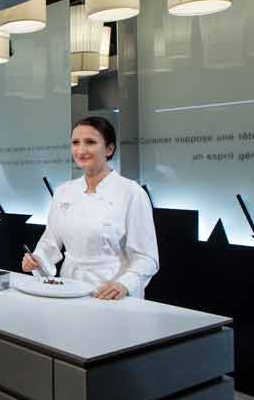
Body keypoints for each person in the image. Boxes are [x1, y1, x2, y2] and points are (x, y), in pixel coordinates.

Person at [21, 116, 158, 300]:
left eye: (90, 142)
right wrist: (36, 260)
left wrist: (126, 284)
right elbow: (50, 243)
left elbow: (146, 257)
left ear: (109, 149)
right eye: (75, 143)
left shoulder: (131, 192)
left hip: (112, 290)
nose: (81, 150)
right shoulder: (63, 191)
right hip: (69, 287)